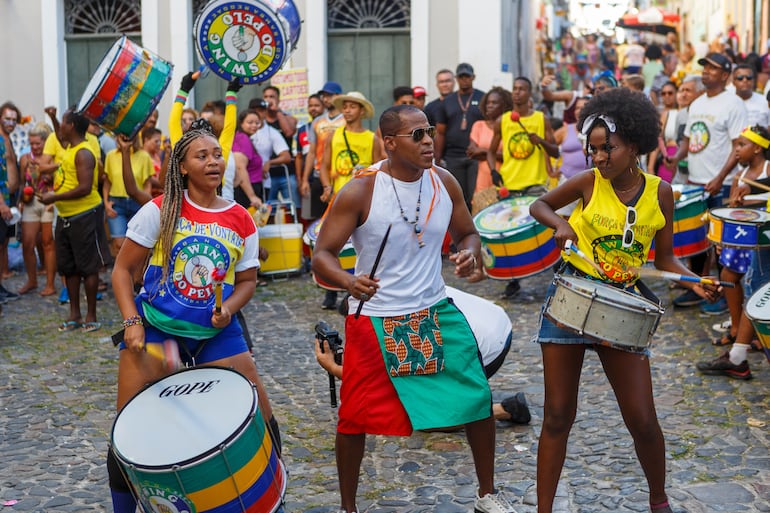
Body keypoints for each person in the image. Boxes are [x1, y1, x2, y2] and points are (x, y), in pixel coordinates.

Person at [312, 104, 518, 513]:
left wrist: (469, 254)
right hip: (376, 318)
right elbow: (322, 254)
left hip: (433, 310)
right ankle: (348, 507)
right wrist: (349, 281)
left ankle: (486, 495)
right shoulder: (362, 189)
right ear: (390, 143)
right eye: (418, 135)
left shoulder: (444, 182)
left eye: (429, 133)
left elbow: (468, 233)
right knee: (354, 416)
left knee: (477, 397)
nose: (429, 142)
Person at [530, 88, 721, 513]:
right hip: (569, 302)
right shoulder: (587, 182)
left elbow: (667, 259)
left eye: (608, 149)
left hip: (623, 311)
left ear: (633, 144)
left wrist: (695, 283)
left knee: (642, 419)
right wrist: (560, 224)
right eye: (593, 149)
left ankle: (659, 500)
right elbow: (539, 205)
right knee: (557, 416)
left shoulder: (661, 192)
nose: (598, 158)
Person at [108, 120, 280, 513]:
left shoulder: (241, 218)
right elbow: (121, 271)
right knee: (125, 433)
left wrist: (229, 308)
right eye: (201, 156)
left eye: (217, 154)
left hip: (216, 334)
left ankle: (272, 495)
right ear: (182, 166)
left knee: (261, 418)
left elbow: (248, 281)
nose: (213, 161)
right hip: (156, 327)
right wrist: (133, 322)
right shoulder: (161, 209)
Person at [315, 284, 531, 425]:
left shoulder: (389, 323)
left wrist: (333, 367)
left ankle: (505, 409)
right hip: (497, 323)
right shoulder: (397, 288)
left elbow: (379, 382)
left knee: (422, 416)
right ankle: (462, 395)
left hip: (486, 349)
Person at [666, 53, 748, 309]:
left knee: (721, 242)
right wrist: (677, 157)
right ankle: (700, 287)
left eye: (713, 69)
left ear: (725, 75)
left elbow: (738, 146)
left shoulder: (733, 104)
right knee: (696, 238)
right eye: (705, 68)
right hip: (694, 181)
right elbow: (689, 140)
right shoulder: (698, 103)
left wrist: (720, 177)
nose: (706, 72)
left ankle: (725, 294)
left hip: (719, 183)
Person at [487, 76, 559, 300]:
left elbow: (556, 152)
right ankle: (513, 281)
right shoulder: (504, 120)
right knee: (508, 235)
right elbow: (491, 151)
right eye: (515, 89)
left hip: (536, 185)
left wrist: (542, 142)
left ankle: (558, 276)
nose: (517, 93)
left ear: (529, 94)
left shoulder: (541, 119)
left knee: (548, 231)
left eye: (522, 89)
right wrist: (493, 170)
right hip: (510, 185)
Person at [40, 108, 111, 333]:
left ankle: (90, 315)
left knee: (88, 268)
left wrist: (55, 196)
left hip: (85, 215)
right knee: (68, 268)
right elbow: (59, 138)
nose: (60, 126)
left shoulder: (84, 152)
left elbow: (84, 187)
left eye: (62, 121)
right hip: (66, 216)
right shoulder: (68, 148)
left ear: (71, 126)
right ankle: (74, 315)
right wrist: (52, 117)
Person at [708, 125, 770, 350]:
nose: (736, 150)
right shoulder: (739, 176)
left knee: (757, 286)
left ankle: (751, 339)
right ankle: (736, 329)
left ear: (757, 148)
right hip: (743, 236)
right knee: (729, 275)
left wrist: (751, 200)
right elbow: (733, 209)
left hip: (762, 237)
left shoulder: (768, 169)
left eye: (742, 145)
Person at [301, 81, 346, 310]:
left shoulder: (346, 121)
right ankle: (328, 289)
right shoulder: (317, 123)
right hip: (320, 177)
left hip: (342, 179)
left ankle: (346, 285)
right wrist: (305, 178)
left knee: (345, 236)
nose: (326, 99)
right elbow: (310, 152)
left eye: (330, 95)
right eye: (324, 96)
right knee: (322, 232)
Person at [434, 63, 485, 209]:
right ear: (456, 78)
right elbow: (441, 132)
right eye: (461, 77)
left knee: (476, 197)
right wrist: (437, 159)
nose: (464, 80)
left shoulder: (482, 97)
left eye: (467, 76)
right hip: (453, 156)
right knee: (457, 197)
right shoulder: (448, 101)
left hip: (476, 157)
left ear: (473, 77)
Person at [17, 122, 56, 296]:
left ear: (45, 142)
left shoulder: (52, 158)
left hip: (49, 200)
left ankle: (50, 284)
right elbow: (21, 182)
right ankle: (32, 280)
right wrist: (20, 200)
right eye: (31, 143)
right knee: (27, 242)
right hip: (30, 201)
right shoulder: (25, 158)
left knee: (48, 242)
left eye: (37, 143)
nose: (34, 146)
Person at [320, 91, 381, 200]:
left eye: (352, 107)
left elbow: (377, 171)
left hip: (362, 197)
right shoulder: (334, 135)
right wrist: (327, 187)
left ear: (362, 111)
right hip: (338, 196)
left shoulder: (372, 139)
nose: (347, 110)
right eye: (344, 107)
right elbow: (324, 165)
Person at [103, 134, 154, 256]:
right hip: (117, 203)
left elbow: (147, 184)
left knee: (137, 246)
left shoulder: (144, 156)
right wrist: (106, 203)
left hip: (137, 204)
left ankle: (136, 274)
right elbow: (107, 182)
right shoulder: (111, 156)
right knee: (119, 244)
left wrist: (145, 206)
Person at [467, 87, 512, 208]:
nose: (489, 106)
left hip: (504, 178)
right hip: (482, 180)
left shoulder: (509, 127)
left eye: (494, 103)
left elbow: (511, 155)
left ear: (504, 105)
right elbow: (472, 152)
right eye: (488, 102)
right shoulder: (479, 125)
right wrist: (495, 154)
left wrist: (483, 151)